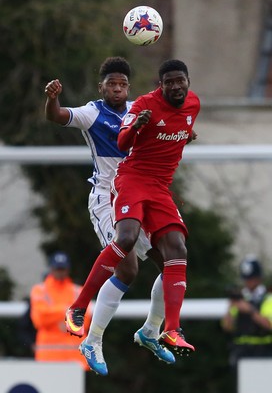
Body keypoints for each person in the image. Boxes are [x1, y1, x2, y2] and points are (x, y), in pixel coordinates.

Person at [60, 59, 200, 374]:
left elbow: (171, 129)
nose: (118, 89)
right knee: (127, 268)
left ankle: (153, 330)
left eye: (123, 84)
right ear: (102, 86)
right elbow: (59, 117)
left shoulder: (146, 106)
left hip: (149, 191)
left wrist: (183, 135)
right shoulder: (95, 112)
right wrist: (52, 99)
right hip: (109, 194)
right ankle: (91, 337)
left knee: (171, 260)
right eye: (113, 84)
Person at [30, 251, 91, 370]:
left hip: (75, 360)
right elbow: (39, 319)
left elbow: (86, 321)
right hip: (48, 358)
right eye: (57, 269)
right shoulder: (40, 290)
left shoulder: (78, 291)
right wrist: (67, 311)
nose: (60, 272)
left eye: (62, 269)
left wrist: (54, 316)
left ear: (68, 270)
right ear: (51, 269)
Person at [222, 255, 272, 391]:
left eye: (251, 279)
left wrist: (250, 311)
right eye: (246, 279)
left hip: (263, 352)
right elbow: (227, 327)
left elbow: (269, 324)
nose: (248, 282)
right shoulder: (240, 299)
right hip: (242, 352)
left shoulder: (268, 298)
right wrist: (230, 307)